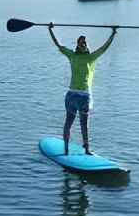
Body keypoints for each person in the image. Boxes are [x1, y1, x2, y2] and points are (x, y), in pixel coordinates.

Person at [48, 23, 117, 156]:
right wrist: (50, 30)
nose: (83, 45)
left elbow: (104, 48)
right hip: (72, 95)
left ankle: (86, 149)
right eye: (80, 44)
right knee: (68, 123)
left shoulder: (90, 57)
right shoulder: (72, 55)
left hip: (84, 95)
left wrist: (113, 34)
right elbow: (58, 44)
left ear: (86, 45)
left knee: (84, 125)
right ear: (78, 46)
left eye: (84, 43)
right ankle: (66, 150)